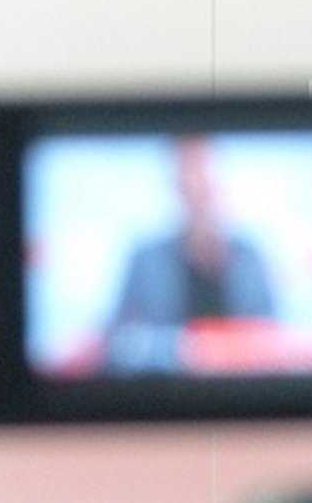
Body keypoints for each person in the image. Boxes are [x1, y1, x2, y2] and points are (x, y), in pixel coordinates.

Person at [105, 135, 277, 371]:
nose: (195, 182)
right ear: (175, 183)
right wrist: (186, 349)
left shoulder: (249, 255)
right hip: (164, 389)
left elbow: (272, 337)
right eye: (187, 170)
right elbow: (119, 343)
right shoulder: (145, 258)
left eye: (202, 169)